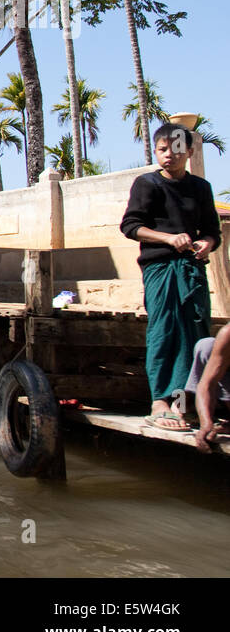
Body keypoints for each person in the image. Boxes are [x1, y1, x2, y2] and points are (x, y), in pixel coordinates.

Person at [119, 122, 221, 431]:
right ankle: (161, 402)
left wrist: (207, 244)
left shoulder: (201, 188)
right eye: (162, 150)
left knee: (196, 331)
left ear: (189, 152)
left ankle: (189, 401)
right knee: (164, 331)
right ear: (156, 151)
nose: (169, 156)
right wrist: (168, 238)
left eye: (176, 150)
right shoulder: (147, 184)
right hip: (161, 269)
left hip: (191, 272)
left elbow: (213, 232)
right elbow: (131, 226)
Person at [189, 326, 230, 451]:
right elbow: (207, 383)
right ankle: (181, 407)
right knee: (206, 346)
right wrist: (206, 423)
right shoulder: (227, 333)